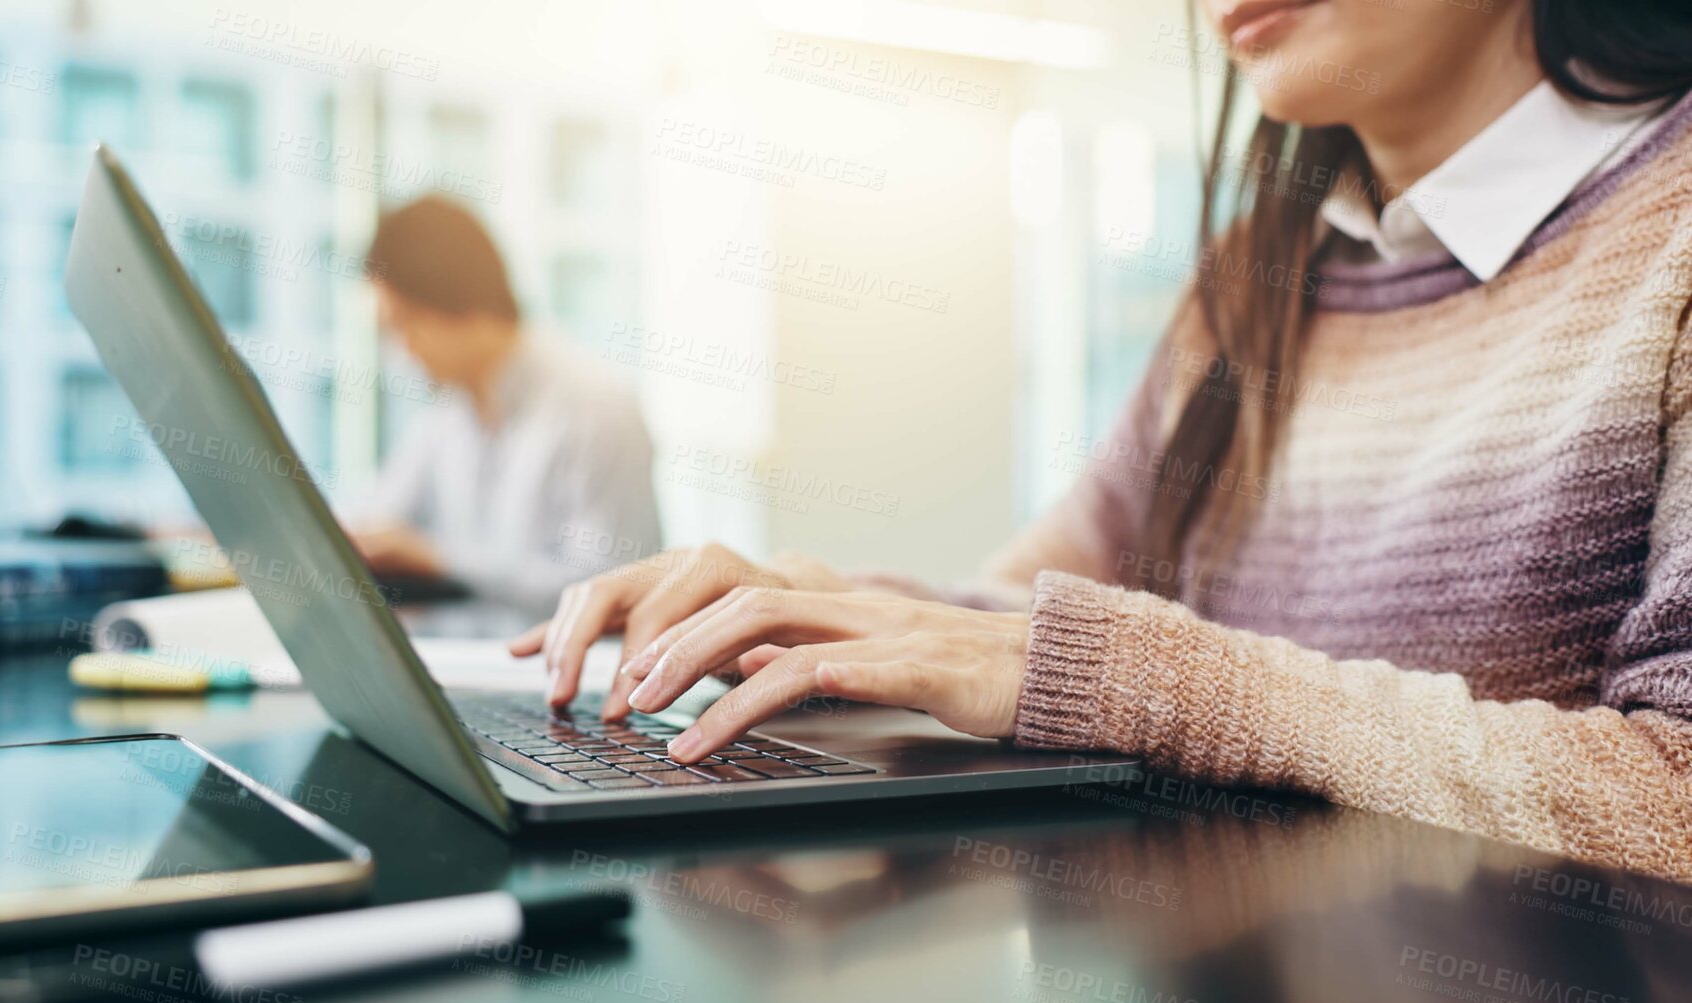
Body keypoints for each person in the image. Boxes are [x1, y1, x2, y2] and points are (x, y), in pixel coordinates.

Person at [512, 0, 1692, 883]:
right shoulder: (1250, 284)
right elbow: (1035, 606)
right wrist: (825, 606)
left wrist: (1129, 675)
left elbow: (1672, 802)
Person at [350, 196, 661, 611]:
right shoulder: (447, 415)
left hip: (565, 672)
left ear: (455, 299)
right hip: (462, 666)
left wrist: (439, 561)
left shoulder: (597, 408)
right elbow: (377, 520)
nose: (403, 349)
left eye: (404, 322)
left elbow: (611, 585)